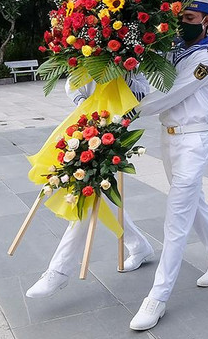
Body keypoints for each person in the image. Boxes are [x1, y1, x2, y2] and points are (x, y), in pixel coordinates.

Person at [95, 0, 208, 331]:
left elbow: (166, 95)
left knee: (176, 215)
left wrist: (124, 113)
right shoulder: (174, 53)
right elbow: (145, 83)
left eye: (189, 19)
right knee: (194, 203)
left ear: (205, 21)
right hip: (169, 140)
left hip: (193, 141)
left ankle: (157, 297)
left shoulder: (205, 59)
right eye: (179, 18)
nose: (181, 25)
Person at [26, 77, 158, 301]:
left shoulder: (129, 52)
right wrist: (83, 104)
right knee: (90, 189)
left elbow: (141, 88)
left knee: (86, 188)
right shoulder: (84, 48)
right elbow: (73, 80)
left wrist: (125, 108)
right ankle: (139, 245)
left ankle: (59, 270)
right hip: (88, 118)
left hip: (116, 121)